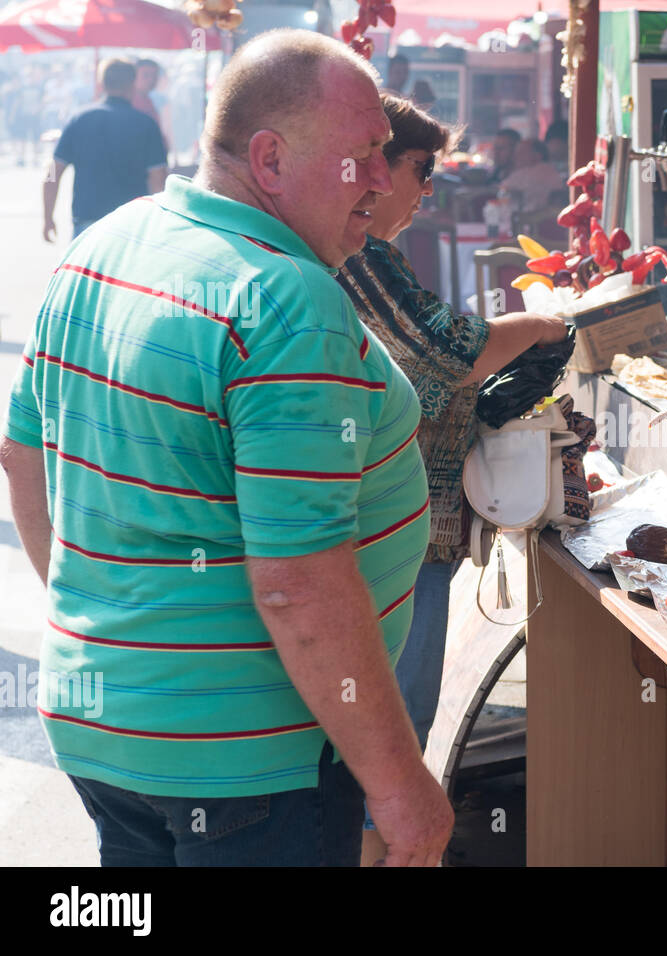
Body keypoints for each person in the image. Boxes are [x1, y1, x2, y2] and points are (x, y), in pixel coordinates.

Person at [3, 29, 452, 867]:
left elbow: (21, 449)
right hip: (246, 762)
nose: (383, 181)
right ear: (270, 159)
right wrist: (401, 789)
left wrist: (105, 624)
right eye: (363, 156)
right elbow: (299, 585)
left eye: (387, 157)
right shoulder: (286, 299)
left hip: (108, 729)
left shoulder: (110, 240)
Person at [335, 93, 566, 866]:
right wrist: (543, 324)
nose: (425, 190)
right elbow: (448, 354)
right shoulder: (358, 252)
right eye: (419, 171)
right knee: (391, 743)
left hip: (405, 535)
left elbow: (441, 381)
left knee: (390, 738)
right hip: (391, 544)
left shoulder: (373, 253)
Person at [43, 58, 167, 241]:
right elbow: (158, 179)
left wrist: (48, 217)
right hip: (132, 225)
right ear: (132, 84)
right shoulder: (146, 124)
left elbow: (53, 173)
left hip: (86, 225)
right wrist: (161, 223)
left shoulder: (78, 120)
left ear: (101, 84)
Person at [498, 138, 565, 214]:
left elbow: (500, 190)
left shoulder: (531, 173)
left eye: (521, 153)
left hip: (526, 221)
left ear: (537, 156)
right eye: (516, 153)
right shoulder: (551, 171)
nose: (515, 157)